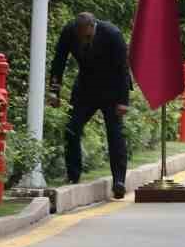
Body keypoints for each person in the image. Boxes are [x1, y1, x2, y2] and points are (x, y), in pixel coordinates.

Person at [48, 12, 131, 198]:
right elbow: (58, 61)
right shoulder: (69, 32)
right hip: (85, 88)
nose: (83, 40)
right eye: (80, 37)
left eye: (87, 36)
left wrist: (123, 101)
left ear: (94, 27)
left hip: (112, 88)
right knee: (71, 128)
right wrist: (54, 91)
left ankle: (119, 181)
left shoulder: (112, 34)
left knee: (115, 133)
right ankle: (73, 175)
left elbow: (123, 68)